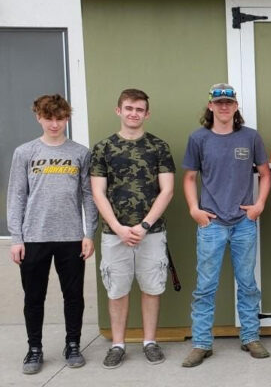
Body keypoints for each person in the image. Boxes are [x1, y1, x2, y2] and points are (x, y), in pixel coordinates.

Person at [181, 84, 271, 367]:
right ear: (210, 106)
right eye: (218, 103)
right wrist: (194, 209)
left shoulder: (250, 138)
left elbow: (266, 176)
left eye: (228, 103)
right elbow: (188, 179)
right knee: (205, 286)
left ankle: (250, 337)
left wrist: (258, 206)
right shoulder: (198, 139)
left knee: (247, 283)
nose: (223, 107)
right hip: (211, 224)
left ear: (235, 107)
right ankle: (201, 343)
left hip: (243, 222)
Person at [7, 94, 98, 375]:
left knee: (73, 296)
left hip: (71, 237)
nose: (55, 124)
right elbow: (16, 196)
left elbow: (88, 196)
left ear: (67, 118)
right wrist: (16, 238)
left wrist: (88, 233)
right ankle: (34, 349)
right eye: (49, 118)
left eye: (60, 118)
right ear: (39, 117)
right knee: (33, 297)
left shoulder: (80, 153)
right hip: (34, 237)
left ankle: (73, 344)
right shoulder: (25, 152)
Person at [91, 89, 176, 369]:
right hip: (113, 234)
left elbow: (167, 190)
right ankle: (117, 344)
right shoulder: (103, 148)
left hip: (151, 232)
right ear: (119, 110)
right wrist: (117, 227)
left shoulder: (158, 147)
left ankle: (150, 342)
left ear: (146, 114)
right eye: (129, 108)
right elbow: (98, 193)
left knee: (152, 288)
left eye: (139, 109)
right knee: (117, 290)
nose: (133, 114)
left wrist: (144, 225)